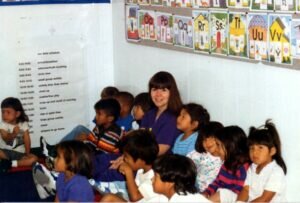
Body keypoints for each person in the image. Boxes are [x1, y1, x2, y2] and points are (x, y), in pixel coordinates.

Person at [100, 129, 167, 202]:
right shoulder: (141, 170)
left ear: (140, 160)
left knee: (109, 198)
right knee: (108, 198)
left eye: (126, 157)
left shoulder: (155, 176)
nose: (124, 159)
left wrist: (128, 172)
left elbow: (134, 197)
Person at [237, 120, 287, 203]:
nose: (255, 152)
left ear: (272, 151)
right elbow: (246, 190)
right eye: (252, 148)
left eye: (260, 147)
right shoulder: (252, 167)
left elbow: (265, 199)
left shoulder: (276, 171)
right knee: (225, 193)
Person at [203, 126, 250, 203]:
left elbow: (241, 191)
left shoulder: (243, 167)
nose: (216, 149)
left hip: (237, 198)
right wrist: (207, 192)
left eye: (218, 145)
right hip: (222, 197)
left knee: (222, 194)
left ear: (231, 146)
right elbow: (217, 182)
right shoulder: (226, 164)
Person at [140, 71, 182, 155]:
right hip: (141, 155)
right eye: (154, 89)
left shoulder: (172, 118)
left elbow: (158, 151)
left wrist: (129, 158)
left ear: (172, 93)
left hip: (161, 162)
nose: (158, 94)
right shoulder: (150, 113)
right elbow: (139, 139)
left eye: (164, 90)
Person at [187, 121, 224, 192]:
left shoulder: (224, 157)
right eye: (204, 140)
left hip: (213, 191)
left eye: (212, 138)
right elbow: (185, 164)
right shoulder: (199, 155)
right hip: (195, 187)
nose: (207, 142)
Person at [0, 97, 37, 168]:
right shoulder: (3, 124)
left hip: (19, 153)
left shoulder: (23, 124)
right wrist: (14, 134)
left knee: (34, 159)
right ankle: (7, 161)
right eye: (3, 112)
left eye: (8, 112)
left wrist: (27, 153)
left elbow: (27, 139)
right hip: (4, 151)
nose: (4, 115)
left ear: (17, 114)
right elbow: (5, 138)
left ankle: (12, 163)